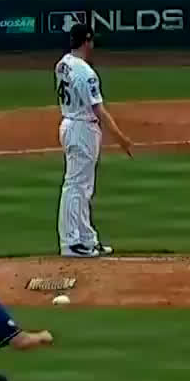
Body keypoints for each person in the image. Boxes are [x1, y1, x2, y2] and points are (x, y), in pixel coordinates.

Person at [55, 22, 134, 257]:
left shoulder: (63, 64)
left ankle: (87, 239)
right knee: (76, 186)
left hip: (70, 124)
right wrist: (121, 138)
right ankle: (71, 242)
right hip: (82, 129)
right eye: (91, 41)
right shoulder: (85, 72)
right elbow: (98, 109)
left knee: (82, 187)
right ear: (86, 42)